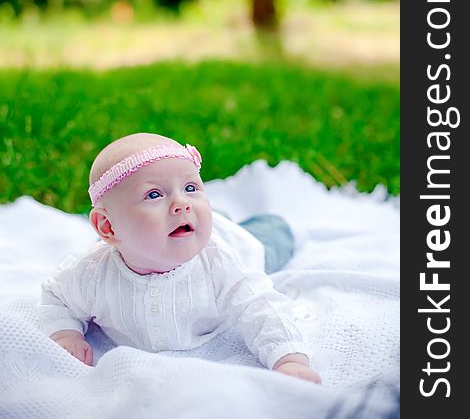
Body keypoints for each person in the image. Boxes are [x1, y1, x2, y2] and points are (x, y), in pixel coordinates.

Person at [38, 133, 321, 384]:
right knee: (211, 218)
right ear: (108, 227)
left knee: (269, 242)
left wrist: (289, 358)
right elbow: (57, 296)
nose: (182, 203)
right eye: (153, 194)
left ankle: (278, 224)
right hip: (183, 230)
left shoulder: (222, 264)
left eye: (190, 188)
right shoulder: (91, 274)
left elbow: (261, 307)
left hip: (233, 240)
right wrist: (65, 333)